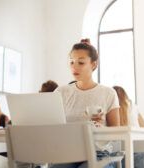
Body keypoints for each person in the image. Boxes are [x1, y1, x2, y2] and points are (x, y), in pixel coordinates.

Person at [51, 39, 120, 168]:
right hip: (67, 153)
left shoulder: (108, 93)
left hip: (99, 153)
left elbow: (117, 135)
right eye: (71, 62)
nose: (74, 66)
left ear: (93, 65)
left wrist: (101, 128)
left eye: (81, 62)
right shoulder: (60, 92)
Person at [113, 86, 144, 168]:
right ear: (125, 95)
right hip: (139, 154)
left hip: (118, 157)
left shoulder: (111, 108)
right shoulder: (133, 106)